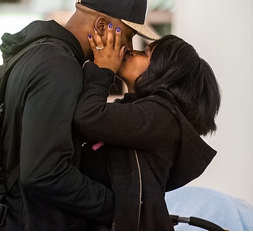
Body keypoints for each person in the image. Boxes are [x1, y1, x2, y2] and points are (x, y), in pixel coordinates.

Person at [0, 0, 161, 230]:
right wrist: (117, 206)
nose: (128, 48)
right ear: (102, 25)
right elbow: (43, 172)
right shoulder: (60, 68)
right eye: (127, 36)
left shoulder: (36, 51)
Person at [73, 25, 219, 230]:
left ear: (163, 72)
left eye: (145, 53)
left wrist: (102, 69)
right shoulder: (140, 114)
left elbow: (87, 116)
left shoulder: (162, 118)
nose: (131, 51)